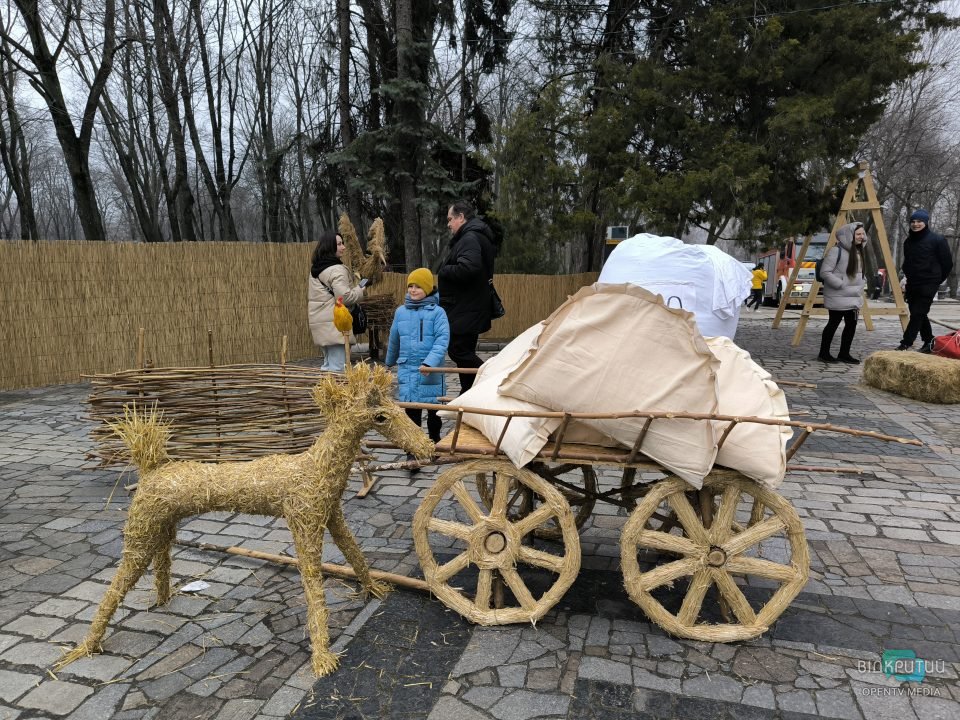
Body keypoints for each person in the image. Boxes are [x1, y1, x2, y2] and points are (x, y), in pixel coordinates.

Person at [386, 269, 450, 470]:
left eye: (418, 286)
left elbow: (442, 340)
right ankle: (412, 451)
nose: (413, 290)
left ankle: (434, 445)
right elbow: (394, 339)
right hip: (408, 370)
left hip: (429, 371)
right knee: (411, 413)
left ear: (428, 288)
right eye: (410, 286)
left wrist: (430, 362)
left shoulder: (438, 313)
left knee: (433, 412)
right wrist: (388, 363)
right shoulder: (400, 312)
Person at [438, 199, 496, 394]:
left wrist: (445, 270)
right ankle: (468, 393)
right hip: (471, 306)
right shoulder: (475, 236)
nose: (448, 224)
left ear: (461, 217)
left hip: (465, 308)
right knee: (465, 352)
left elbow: (469, 267)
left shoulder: (469, 237)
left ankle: (491, 378)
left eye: (450, 219)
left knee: (457, 350)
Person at [896, 209, 953, 353]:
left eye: (919, 221)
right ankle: (929, 341)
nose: (915, 224)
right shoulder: (908, 241)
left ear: (926, 222)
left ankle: (905, 343)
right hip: (913, 283)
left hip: (929, 283)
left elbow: (947, 264)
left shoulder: (937, 240)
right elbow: (907, 261)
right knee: (919, 313)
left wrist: (936, 279)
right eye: (913, 222)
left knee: (917, 314)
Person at [307, 230, 365, 371]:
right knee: (338, 368)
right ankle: (335, 393)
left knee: (327, 366)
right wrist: (360, 290)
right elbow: (344, 298)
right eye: (339, 244)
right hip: (335, 325)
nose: (343, 247)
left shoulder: (316, 269)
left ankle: (326, 393)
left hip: (321, 324)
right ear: (330, 247)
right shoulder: (336, 269)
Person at [818, 222, 866, 364]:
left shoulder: (859, 251)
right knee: (833, 323)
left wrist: (862, 282)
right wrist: (840, 284)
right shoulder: (836, 251)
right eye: (858, 234)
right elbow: (825, 272)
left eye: (863, 234)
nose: (861, 237)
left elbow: (859, 273)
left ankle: (844, 353)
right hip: (838, 295)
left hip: (853, 295)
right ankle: (824, 353)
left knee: (851, 325)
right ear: (849, 235)